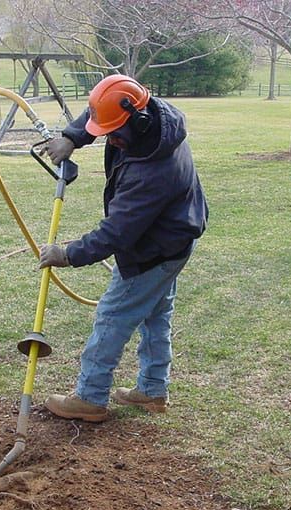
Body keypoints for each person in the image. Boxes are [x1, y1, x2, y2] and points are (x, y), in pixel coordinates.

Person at [39, 74, 208, 423]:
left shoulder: (153, 171)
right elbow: (100, 110)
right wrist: (73, 137)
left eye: (115, 133)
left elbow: (116, 232)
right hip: (175, 240)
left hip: (154, 249)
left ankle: (90, 396)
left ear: (138, 121)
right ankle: (152, 389)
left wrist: (67, 254)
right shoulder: (151, 116)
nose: (110, 139)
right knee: (155, 314)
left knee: (112, 316)